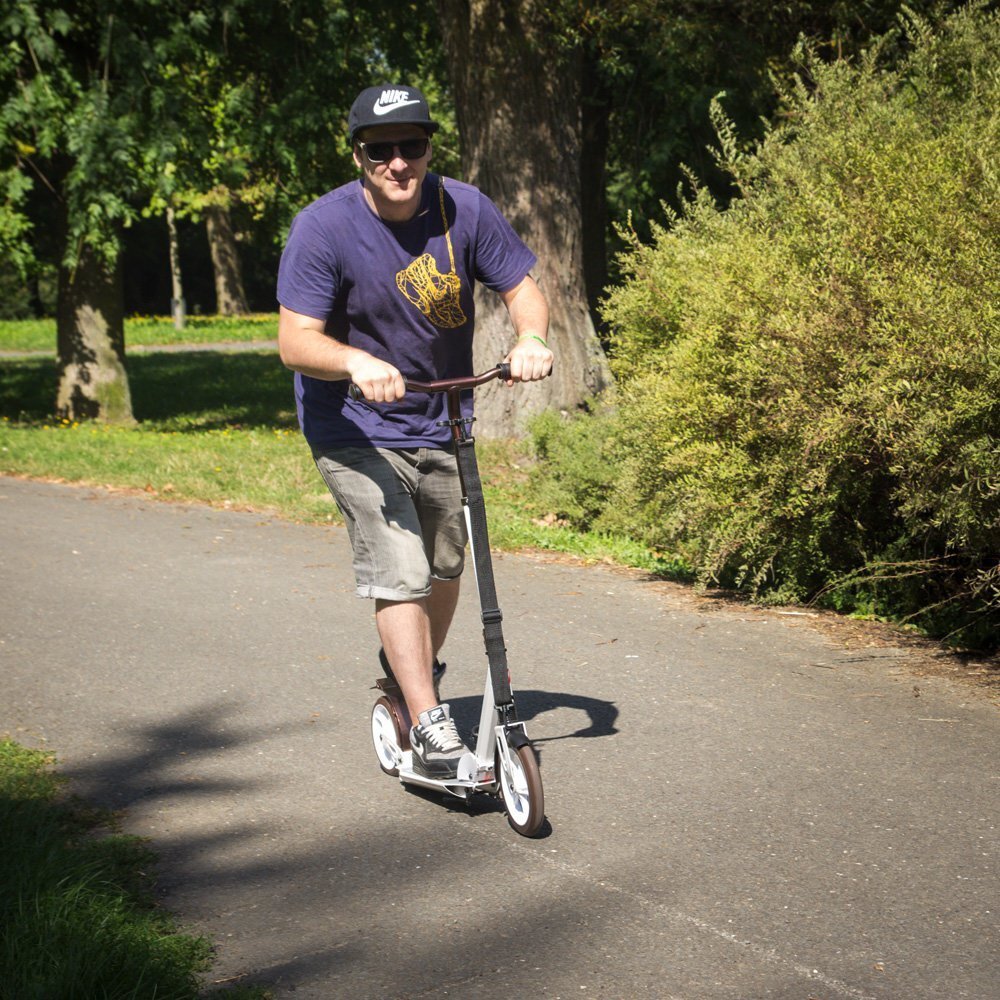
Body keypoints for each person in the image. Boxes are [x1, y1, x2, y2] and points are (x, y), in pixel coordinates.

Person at [276, 84, 552, 780]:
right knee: (400, 567)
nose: (398, 163)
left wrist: (532, 337)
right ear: (359, 155)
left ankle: (411, 674)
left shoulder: (464, 207)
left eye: (412, 147)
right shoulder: (323, 227)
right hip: (351, 425)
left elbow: (522, 288)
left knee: (447, 562)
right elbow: (295, 341)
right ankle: (430, 722)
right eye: (381, 151)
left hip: (441, 416)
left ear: (430, 147)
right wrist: (355, 361)